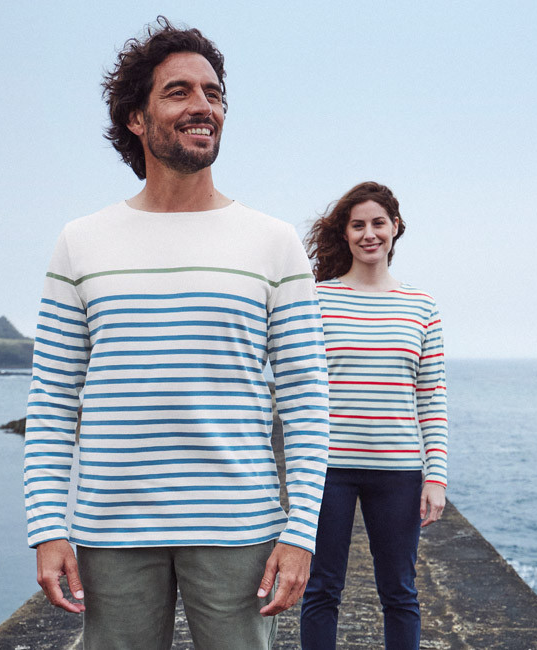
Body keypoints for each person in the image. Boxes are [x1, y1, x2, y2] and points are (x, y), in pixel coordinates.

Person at [23, 16, 329, 650]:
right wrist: (48, 526)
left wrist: (300, 533)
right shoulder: (81, 242)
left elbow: (305, 399)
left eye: (214, 93)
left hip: (238, 527)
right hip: (110, 529)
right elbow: (52, 400)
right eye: (180, 91)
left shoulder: (273, 243)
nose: (203, 106)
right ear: (137, 118)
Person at [299, 182, 447, 649]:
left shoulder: (421, 307)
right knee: (322, 589)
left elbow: (432, 398)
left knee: (400, 593)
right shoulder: (316, 300)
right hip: (329, 470)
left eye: (378, 223)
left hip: (399, 470)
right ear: (344, 233)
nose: (369, 234)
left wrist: (436, 477)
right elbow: (299, 388)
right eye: (357, 224)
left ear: (395, 227)